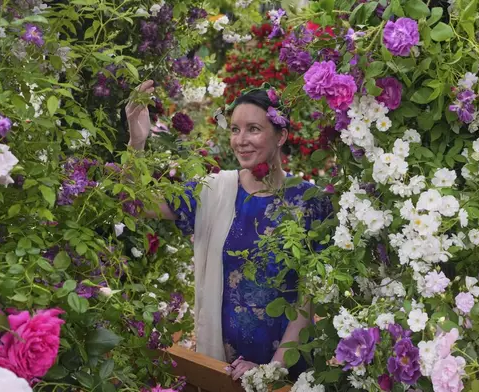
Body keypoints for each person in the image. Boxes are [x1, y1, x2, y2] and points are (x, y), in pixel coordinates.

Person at [124, 80, 332, 380]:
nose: (241, 140)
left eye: (254, 129)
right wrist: (138, 139)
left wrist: (270, 372)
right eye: (235, 129)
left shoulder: (309, 202)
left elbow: (307, 300)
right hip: (222, 368)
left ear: (281, 135)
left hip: (287, 373)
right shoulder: (216, 191)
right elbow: (138, 204)